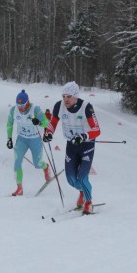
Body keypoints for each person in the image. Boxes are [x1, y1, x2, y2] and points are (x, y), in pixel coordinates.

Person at [43, 81, 101, 214]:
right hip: (71, 145)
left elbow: (97, 130)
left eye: (68, 96)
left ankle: (88, 201)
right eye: (64, 96)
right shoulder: (59, 106)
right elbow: (53, 122)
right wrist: (48, 133)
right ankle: (82, 191)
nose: (65, 99)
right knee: (71, 179)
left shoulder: (86, 107)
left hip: (86, 145)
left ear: (75, 96)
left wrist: (83, 136)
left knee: (82, 176)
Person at [6, 90, 52, 196]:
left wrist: (39, 122)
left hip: (35, 139)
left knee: (37, 164)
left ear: (27, 102)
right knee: (17, 162)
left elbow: (46, 123)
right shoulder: (14, 110)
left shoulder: (35, 109)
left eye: (22, 105)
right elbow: (9, 123)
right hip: (21, 139)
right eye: (18, 105)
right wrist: (9, 138)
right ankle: (19, 188)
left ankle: (45, 167)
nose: (20, 107)